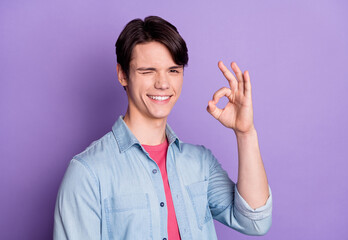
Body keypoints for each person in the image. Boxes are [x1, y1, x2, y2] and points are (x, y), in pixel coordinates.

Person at [53, 16, 272, 240]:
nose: (163, 83)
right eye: (148, 71)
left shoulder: (201, 163)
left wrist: (245, 133)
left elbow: (255, 222)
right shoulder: (88, 173)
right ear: (122, 74)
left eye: (173, 70)